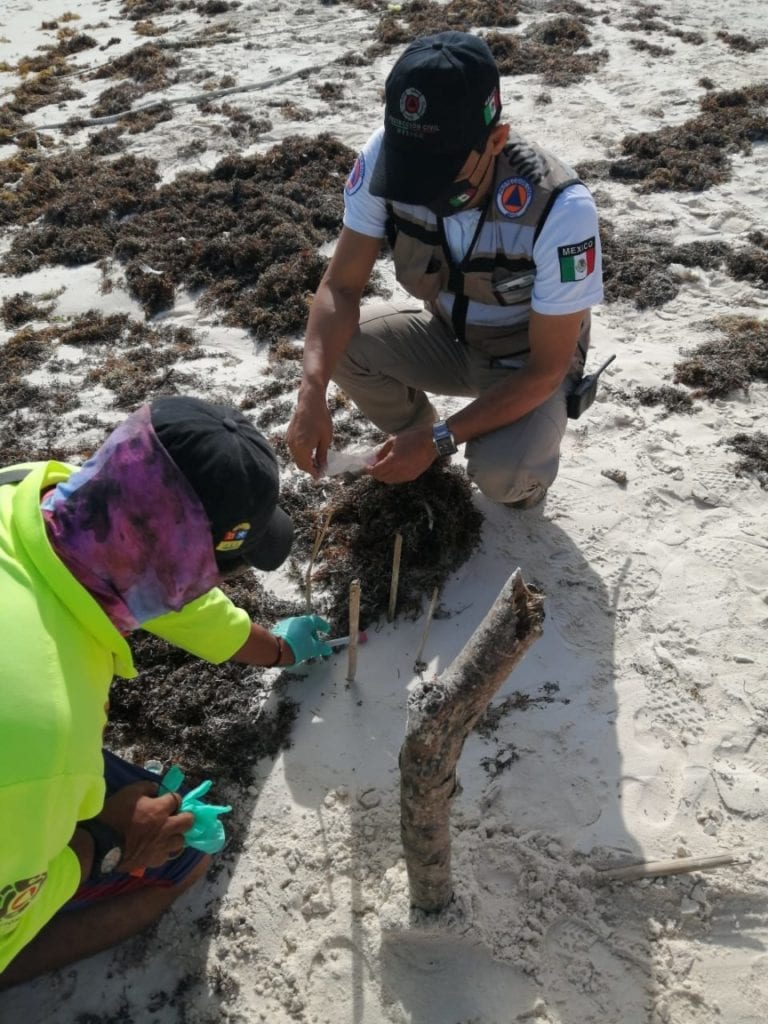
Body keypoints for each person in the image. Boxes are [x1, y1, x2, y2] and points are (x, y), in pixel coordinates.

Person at [0, 395, 331, 988]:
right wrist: (107, 842)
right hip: (24, 762)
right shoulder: (47, 735)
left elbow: (190, 609)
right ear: (181, 569)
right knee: (181, 855)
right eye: (217, 570)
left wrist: (280, 648)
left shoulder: (44, 499)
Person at [287, 30, 604, 508]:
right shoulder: (381, 158)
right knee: (340, 346)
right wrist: (311, 389)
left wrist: (444, 436)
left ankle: (509, 470)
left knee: (504, 477)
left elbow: (546, 367)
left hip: (525, 360)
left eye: (440, 172)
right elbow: (340, 287)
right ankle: (412, 441)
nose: (420, 188)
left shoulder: (561, 208)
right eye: (409, 167)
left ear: (496, 140)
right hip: (447, 335)